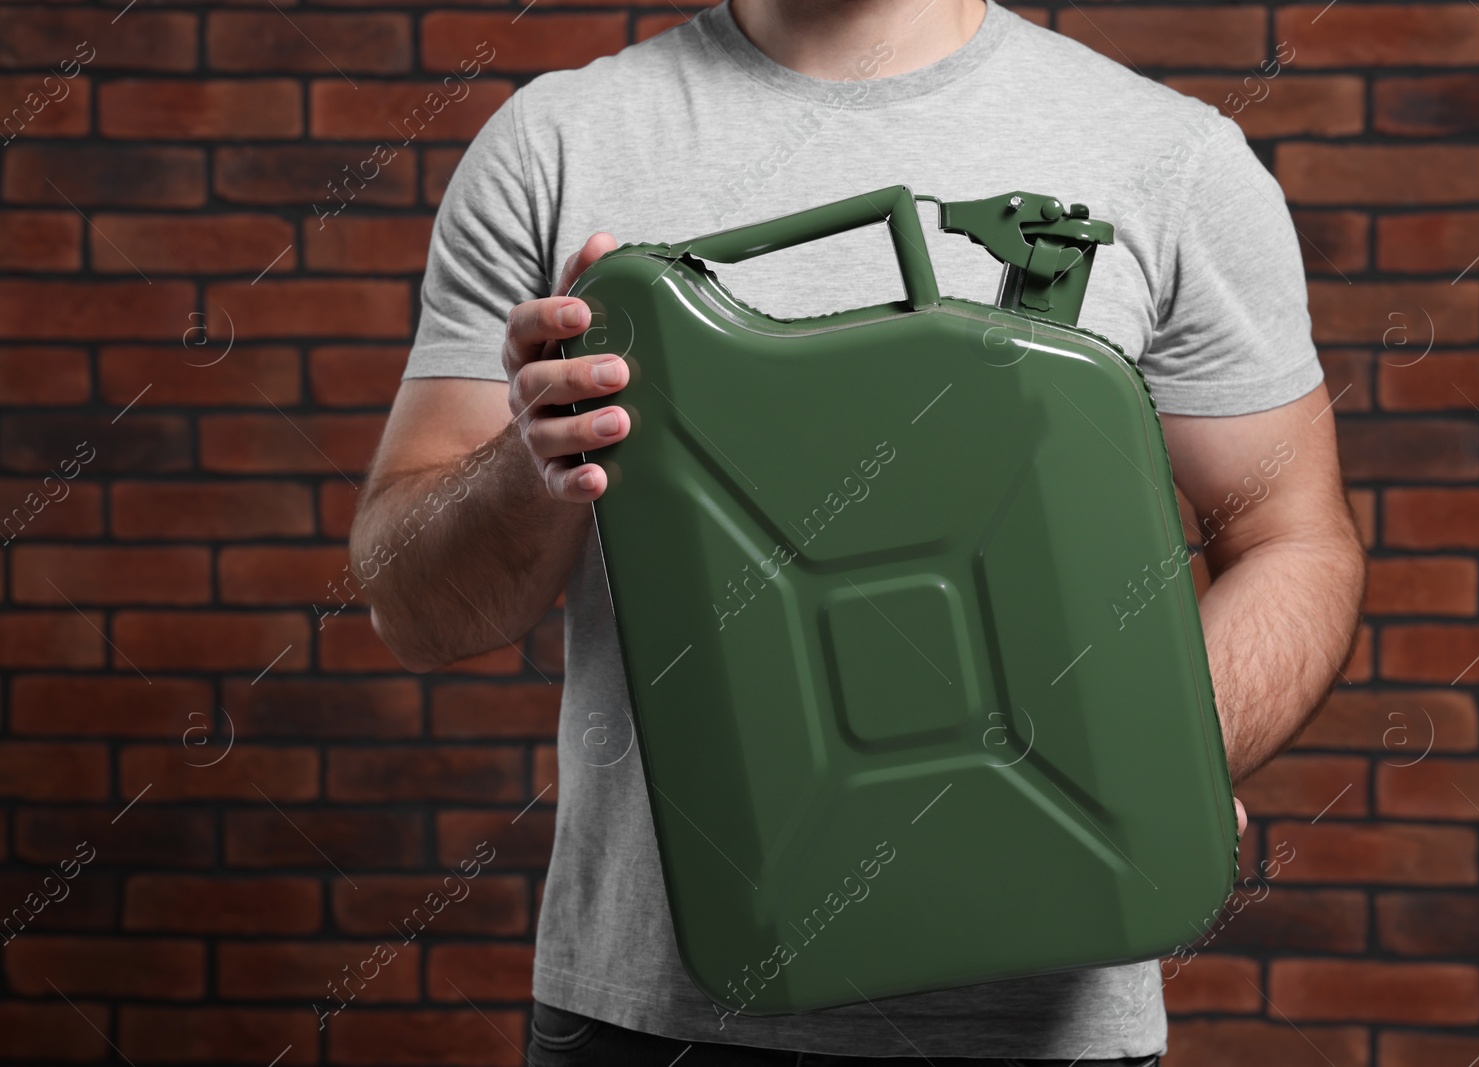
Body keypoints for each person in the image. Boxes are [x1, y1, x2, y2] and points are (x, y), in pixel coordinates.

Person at [350, 0, 1366, 1063]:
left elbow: (1293, 539)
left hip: (1041, 1022)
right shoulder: (557, 144)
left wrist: (1167, 762)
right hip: (651, 1018)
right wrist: (529, 460)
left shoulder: (1167, 156)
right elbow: (415, 610)